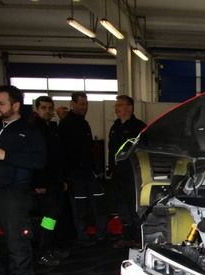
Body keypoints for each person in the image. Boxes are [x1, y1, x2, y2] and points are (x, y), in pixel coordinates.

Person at [0, 85, 46, 275]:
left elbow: (39, 161)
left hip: (14, 194)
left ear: (15, 105)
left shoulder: (29, 131)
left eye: (1, 103)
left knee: (16, 241)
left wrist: (5, 155)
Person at [58, 92, 107, 245]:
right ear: (73, 104)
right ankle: (81, 236)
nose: (84, 107)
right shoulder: (66, 124)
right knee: (79, 207)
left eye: (86, 104)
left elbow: (88, 149)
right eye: (81, 104)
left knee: (99, 202)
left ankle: (100, 234)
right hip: (75, 174)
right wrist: (65, 176)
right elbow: (63, 151)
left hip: (89, 172)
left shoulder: (84, 123)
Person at [31, 96, 68, 266]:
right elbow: (35, 159)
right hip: (44, 184)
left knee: (53, 217)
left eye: (49, 108)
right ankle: (42, 251)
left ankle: (50, 247)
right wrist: (38, 183)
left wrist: (62, 180)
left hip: (55, 181)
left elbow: (57, 156)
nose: (47, 111)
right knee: (48, 218)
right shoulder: (34, 129)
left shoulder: (51, 128)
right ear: (37, 109)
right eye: (43, 108)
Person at [108, 95, 146, 248]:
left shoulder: (139, 127)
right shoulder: (115, 127)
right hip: (118, 174)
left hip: (133, 174)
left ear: (129, 108)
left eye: (120, 105)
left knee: (134, 205)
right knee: (122, 205)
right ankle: (126, 235)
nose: (117, 108)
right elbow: (111, 150)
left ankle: (138, 236)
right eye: (116, 105)